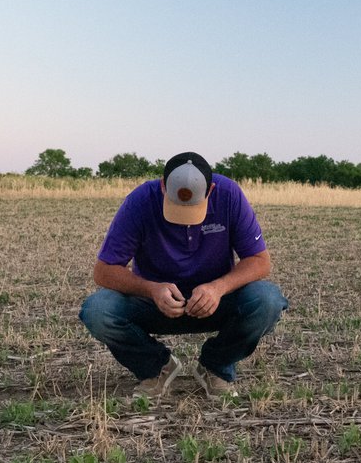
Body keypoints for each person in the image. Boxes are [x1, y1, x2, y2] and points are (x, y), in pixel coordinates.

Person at [79, 152, 288, 398]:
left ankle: (215, 367)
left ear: (210, 190)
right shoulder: (140, 201)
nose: (184, 221)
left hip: (216, 302)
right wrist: (152, 289)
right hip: (154, 304)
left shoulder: (229, 194)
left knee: (267, 300)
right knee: (98, 310)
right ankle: (156, 368)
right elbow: (104, 271)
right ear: (163, 186)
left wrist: (218, 288)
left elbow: (260, 262)